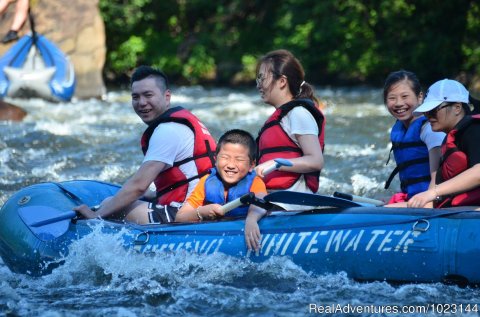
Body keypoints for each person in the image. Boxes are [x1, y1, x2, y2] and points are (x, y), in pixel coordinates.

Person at [74, 66, 216, 224]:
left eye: (148, 95)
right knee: (125, 200)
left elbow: (138, 186)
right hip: (205, 204)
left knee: (108, 204)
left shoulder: (167, 131)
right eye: (135, 97)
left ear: (166, 96)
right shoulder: (184, 123)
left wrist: (96, 215)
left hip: (188, 212)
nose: (141, 103)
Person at [175, 129, 268, 251]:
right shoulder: (206, 181)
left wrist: (252, 219)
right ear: (216, 159)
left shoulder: (255, 182)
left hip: (240, 230)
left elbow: (260, 203)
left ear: (251, 165)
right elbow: (180, 217)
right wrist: (201, 212)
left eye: (239, 160)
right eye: (225, 157)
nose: (231, 165)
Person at [254, 49, 325, 201]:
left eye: (262, 78)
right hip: (273, 199)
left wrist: (275, 163)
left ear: (282, 81)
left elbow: (316, 161)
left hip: (292, 203)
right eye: (258, 79)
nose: (258, 85)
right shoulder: (281, 117)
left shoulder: (298, 114)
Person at [406, 79, 480, 208]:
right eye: (426, 112)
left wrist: (434, 192)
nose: (428, 117)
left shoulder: (474, 130)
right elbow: (432, 200)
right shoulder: (450, 139)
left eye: (433, 111)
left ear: (457, 108)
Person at [383, 70, 445, 205]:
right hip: (413, 198)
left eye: (405, 96)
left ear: (420, 97)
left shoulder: (430, 128)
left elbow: (437, 182)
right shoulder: (399, 129)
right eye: (392, 98)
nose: (399, 103)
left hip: (433, 200)